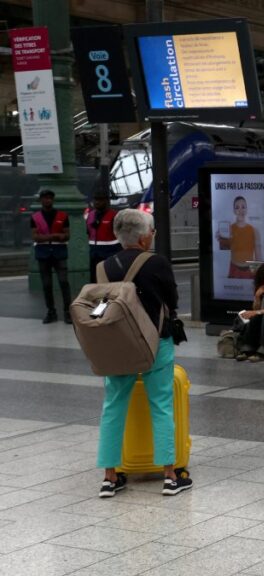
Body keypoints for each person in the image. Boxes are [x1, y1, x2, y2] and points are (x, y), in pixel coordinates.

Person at [95, 209, 192, 497]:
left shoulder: (103, 266)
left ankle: (110, 478)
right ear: (142, 236)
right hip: (155, 343)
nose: (152, 236)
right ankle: (170, 476)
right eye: (151, 231)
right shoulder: (156, 262)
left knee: (113, 407)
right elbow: (172, 300)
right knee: (161, 405)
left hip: (118, 346)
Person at [30, 190, 71, 324]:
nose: (47, 200)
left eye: (49, 198)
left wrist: (47, 237)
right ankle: (51, 312)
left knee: (64, 282)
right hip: (43, 253)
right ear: (41, 200)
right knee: (47, 285)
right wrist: (54, 236)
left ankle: (67, 312)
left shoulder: (63, 216)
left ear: (53, 200)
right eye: (45, 198)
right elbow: (35, 237)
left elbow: (67, 235)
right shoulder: (35, 217)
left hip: (59, 252)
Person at [236, 264, 264, 362]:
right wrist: (257, 297)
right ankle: (248, 348)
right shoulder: (261, 288)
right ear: (262, 277)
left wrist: (257, 312)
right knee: (255, 318)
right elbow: (255, 308)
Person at [219, 196, 261, 279]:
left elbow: (258, 255)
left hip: (250, 270)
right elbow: (224, 248)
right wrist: (221, 239)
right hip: (234, 269)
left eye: (243, 207)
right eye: (237, 207)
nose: (240, 210)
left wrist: (258, 274)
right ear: (234, 211)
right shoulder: (230, 229)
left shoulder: (254, 230)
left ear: (247, 209)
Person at [85, 189, 119, 283]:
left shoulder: (114, 216)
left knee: (108, 282)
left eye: (100, 200)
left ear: (106, 201)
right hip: (94, 255)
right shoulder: (90, 215)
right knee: (94, 281)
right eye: (95, 200)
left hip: (110, 255)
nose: (97, 202)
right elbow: (88, 232)